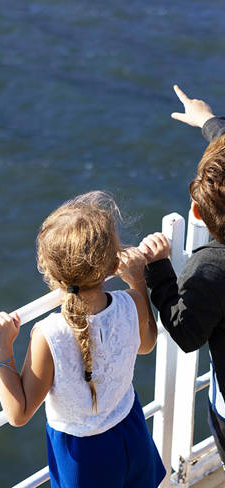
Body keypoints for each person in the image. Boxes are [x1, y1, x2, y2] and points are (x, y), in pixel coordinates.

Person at [0, 191, 165, 487]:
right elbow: (147, 344)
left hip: (84, 458)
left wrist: (1, 348)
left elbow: (19, 413)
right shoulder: (131, 301)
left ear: (47, 270)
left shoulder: (49, 334)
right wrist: (138, 282)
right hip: (131, 433)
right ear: (111, 265)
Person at [137, 84, 225, 463]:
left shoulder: (212, 267)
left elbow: (186, 332)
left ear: (199, 214)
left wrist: (159, 272)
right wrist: (208, 123)